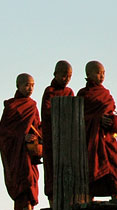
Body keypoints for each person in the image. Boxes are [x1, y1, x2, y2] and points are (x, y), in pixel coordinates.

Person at [77, 61, 117, 199]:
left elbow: (111, 111)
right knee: (93, 166)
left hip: (108, 139)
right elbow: (79, 117)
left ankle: (115, 196)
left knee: (114, 165)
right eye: (98, 72)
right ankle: (90, 198)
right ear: (88, 74)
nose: (101, 75)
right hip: (93, 140)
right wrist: (97, 119)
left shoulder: (105, 93)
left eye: (103, 72)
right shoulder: (83, 95)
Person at [0, 73, 42, 210]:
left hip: (29, 153)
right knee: (24, 180)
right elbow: (4, 132)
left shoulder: (32, 106)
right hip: (17, 153)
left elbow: (38, 127)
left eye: (32, 85)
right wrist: (22, 137)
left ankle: (29, 208)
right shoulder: (12, 106)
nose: (30, 88)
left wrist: (36, 138)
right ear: (18, 86)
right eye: (27, 85)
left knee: (31, 180)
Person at [41, 60, 74, 201]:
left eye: (69, 76)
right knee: (52, 172)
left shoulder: (70, 92)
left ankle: (69, 200)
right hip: (52, 139)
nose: (66, 79)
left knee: (68, 171)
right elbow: (47, 112)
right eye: (64, 76)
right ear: (55, 74)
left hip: (67, 140)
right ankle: (53, 203)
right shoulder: (49, 92)